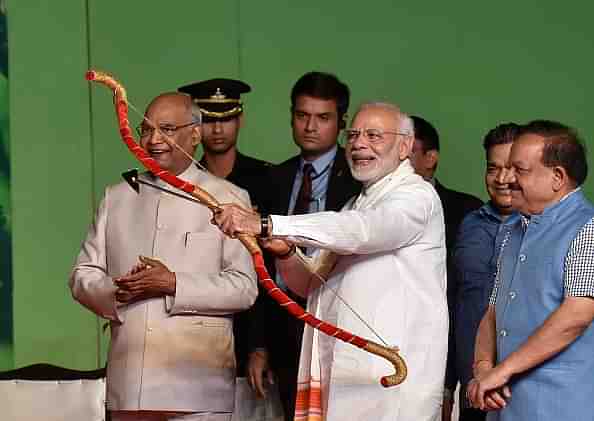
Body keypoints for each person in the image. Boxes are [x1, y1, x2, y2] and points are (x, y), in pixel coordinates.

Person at [214, 102, 448, 421]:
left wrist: (271, 224)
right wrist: (284, 251)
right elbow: (311, 284)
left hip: (390, 377)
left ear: (405, 146)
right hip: (343, 372)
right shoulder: (356, 203)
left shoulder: (417, 196)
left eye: (374, 135)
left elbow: (364, 231)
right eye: (353, 135)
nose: (359, 144)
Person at [69, 92, 257, 421]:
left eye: (167, 129)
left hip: (199, 385)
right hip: (130, 385)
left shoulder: (228, 197)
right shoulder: (118, 197)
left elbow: (244, 288)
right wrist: (117, 291)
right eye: (146, 130)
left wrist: (172, 283)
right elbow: (82, 276)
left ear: (195, 134)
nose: (154, 140)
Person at [246, 71, 360, 421]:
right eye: (302, 115)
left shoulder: (359, 177)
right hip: (282, 323)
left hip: (335, 320)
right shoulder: (271, 179)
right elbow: (256, 264)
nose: (310, 126)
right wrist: (258, 343)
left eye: (322, 118)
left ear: (341, 123)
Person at [468, 120, 594, 420]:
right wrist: (484, 369)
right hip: (504, 408)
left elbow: (576, 315)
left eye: (520, 170)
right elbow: (493, 310)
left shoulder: (588, 228)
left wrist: (503, 371)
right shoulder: (513, 229)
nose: (507, 178)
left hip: (561, 406)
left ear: (557, 177)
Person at [178, 78, 271, 379]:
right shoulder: (179, 184)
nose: (217, 130)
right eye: (208, 120)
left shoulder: (270, 180)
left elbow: (274, 269)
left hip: (260, 322)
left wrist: (261, 344)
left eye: (227, 119)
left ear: (240, 119)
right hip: (195, 325)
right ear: (194, 126)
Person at [409, 115, 482, 417]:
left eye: (408, 150)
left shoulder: (468, 212)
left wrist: (447, 383)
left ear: (431, 158)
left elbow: (461, 300)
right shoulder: (361, 207)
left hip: (446, 357)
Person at [452, 123, 520, 421]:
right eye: (493, 168)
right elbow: (455, 299)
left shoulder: (550, 228)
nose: (502, 179)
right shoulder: (469, 225)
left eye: (513, 168)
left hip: (523, 387)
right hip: (472, 387)